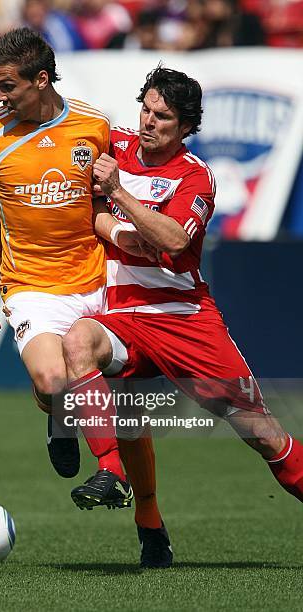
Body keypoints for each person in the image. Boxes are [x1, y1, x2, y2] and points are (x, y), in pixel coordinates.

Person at [58, 66, 303, 568]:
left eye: (163, 116)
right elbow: (84, 208)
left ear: (185, 125)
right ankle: (121, 488)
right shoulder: (115, 144)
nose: (148, 122)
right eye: (145, 109)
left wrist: (120, 197)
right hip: (124, 316)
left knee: (262, 434)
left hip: (184, 319)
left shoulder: (196, 176)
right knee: (80, 345)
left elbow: (174, 239)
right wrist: (118, 229)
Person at [0, 27, 144, 507]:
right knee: (51, 382)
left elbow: (103, 200)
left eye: (8, 85)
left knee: (101, 381)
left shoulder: (93, 126)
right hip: (30, 284)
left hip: (93, 277)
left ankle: (80, 435)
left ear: (41, 80)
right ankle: (59, 415)